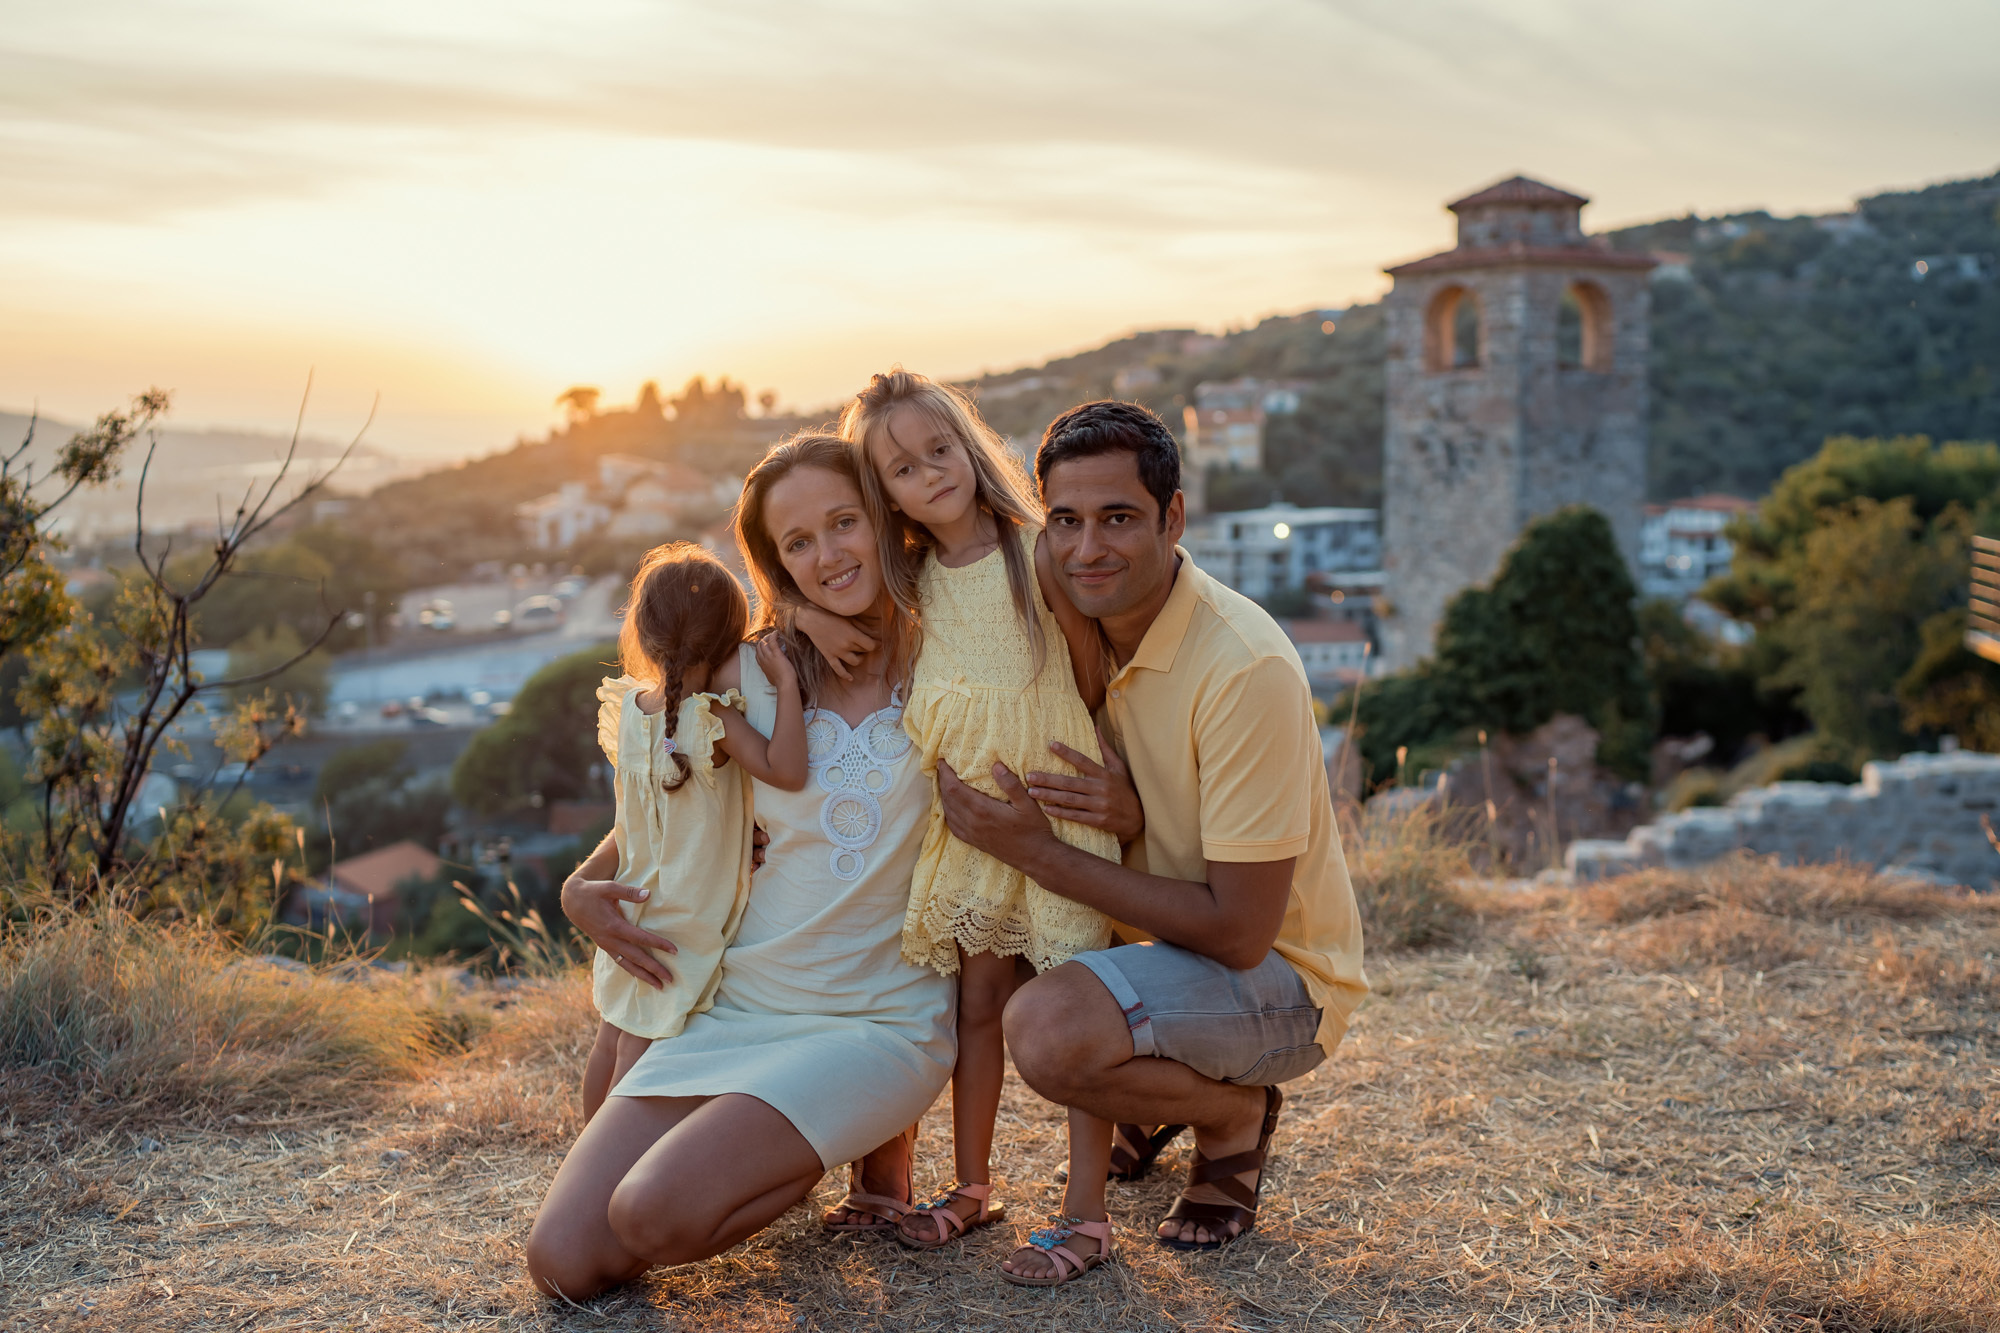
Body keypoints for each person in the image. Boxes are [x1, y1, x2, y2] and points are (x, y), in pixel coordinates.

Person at [933, 400, 1368, 1286]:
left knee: (1049, 1032)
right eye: (1066, 520)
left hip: (1283, 981)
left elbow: (1243, 932)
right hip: (1158, 955)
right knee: (970, 948)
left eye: (1120, 518)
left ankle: (1235, 1112)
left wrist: (1039, 853)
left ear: (1173, 518)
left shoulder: (1243, 666)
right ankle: (1143, 1081)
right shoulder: (1069, 626)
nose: (1088, 547)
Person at [526, 433, 955, 1300]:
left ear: (883, 519)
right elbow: (663, 799)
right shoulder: (752, 668)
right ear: (774, 563)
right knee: (564, 1263)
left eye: (845, 523)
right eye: (799, 542)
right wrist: (579, 887)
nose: (828, 553)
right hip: (737, 1004)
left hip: (872, 1020)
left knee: (649, 1214)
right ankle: (767, 1158)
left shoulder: (950, 658)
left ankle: (794, 1163)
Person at [793, 370, 1119, 1253]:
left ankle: (1087, 1209)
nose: (930, 473)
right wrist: (803, 615)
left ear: (967, 447)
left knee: (1074, 1001)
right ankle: (974, 1185)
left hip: (1053, 810)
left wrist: (1098, 776)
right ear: (883, 489)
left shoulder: (1034, 550)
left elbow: (1090, 676)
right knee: (976, 1007)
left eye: (940, 449)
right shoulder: (910, 578)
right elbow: (812, 583)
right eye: (903, 468)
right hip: (967, 827)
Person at [579, 541, 809, 1122]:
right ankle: (606, 1171)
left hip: (632, 905)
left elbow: (630, 819)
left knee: (611, 1040)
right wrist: (786, 686)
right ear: (732, 636)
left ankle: (584, 1156)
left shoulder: (630, 710)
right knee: (639, 1052)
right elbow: (788, 769)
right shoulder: (715, 721)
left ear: (643, 630)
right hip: (684, 919)